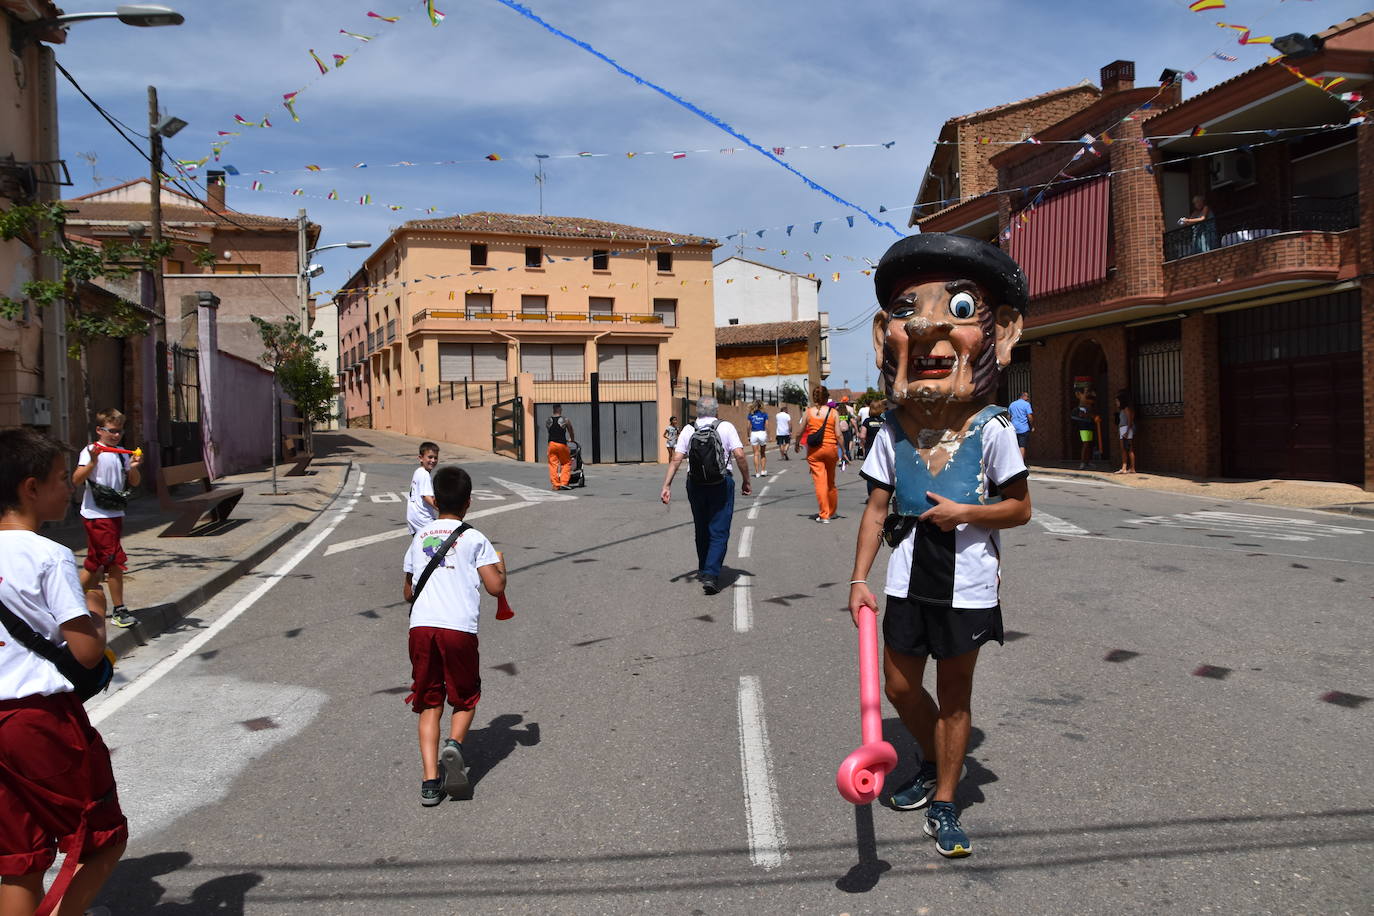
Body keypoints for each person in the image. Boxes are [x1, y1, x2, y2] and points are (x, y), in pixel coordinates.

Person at [849, 233, 1031, 859]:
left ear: (1000, 334)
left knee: (956, 696)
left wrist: (967, 512)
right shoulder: (890, 430)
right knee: (899, 687)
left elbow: (1021, 509)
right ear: (883, 336)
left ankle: (948, 801)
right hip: (905, 577)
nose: (926, 325)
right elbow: (875, 510)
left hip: (968, 582)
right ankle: (931, 760)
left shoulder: (994, 428)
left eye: (956, 309)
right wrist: (858, 581)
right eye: (906, 311)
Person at [0, 426, 128, 914]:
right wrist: (95, 607)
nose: (69, 485)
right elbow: (87, 653)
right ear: (30, 488)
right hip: (41, 722)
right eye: (60, 478)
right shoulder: (50, 556)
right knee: (102, 838)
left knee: (20, 858)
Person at [402, 465, 506, 807]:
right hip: (458, 628)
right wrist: (501, 567)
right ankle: (456, 745)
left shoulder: (420, 536)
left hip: (421, 627)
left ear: (435, 502)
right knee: (464, 698)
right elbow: (495, 588)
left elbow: (407, 590)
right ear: (469, 502)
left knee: (429, 702)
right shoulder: (475, 538)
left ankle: (430, 782)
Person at [659, 397, 751, 595]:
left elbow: (676, 458)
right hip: (721, 482)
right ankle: (711, 574)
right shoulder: (726, 427)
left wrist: (666, 485)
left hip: (696, 483)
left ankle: (703, 568)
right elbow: (740, 455)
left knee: (701, 527)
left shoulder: (688, 429)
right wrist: (746, 480)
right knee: (719, 528)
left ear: (698, 412)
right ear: (716, 411)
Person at [72, 408, 142, 629]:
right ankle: (119, 609)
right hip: (96, 515)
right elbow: (76, 480)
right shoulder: (90, 450)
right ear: (99, 430)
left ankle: (68, 603)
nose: (116, 435)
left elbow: (134, 482)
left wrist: (132, 468)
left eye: (119, 431)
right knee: (114, 562)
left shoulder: (122, 452)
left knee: (94, 564)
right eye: (111, 431)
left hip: (114, 513)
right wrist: (92, 461)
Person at [795, 385, 839, 522]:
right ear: (826, 397)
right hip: (831, 449)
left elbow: (800, 431)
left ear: (814, 398)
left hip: (815, 451)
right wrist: (845, 451)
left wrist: (796, 444)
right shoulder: (833, 413)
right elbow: (838, 434)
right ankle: (831, 511)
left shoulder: (808, 412)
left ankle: (824, 514)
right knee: (830, 482)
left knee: (820, 482)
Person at [406, 441, 439, 535]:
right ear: (421, 458)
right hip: (423, 518)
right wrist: (442, 509)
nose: (433, 460)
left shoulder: (418, 471)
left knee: (419, 545)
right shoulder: (425, 474)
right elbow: (426, 496)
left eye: (435, 457)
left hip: (413, 516)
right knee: (437, 544)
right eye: (430, 457)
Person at [546, 405, 575, 491]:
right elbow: (571, 430)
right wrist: (572, 439)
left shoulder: (548, 420)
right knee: (566, 463)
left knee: (553, 464)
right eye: (561, 408)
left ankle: (555, 485)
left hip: (551, 444)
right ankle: (564, 483)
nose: (562, 409)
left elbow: (550, 431)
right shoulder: (565, 420)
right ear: (559, 409)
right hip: (561, 444)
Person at [1071, 388, 1098, 469]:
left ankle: (1087, 461)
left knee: (1088, 444)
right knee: (1085, 443)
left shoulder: (1088, 405)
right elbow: (1085, 414)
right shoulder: (1082, 403)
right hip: (1084, 426)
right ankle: (1083, 462)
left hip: (1089, 424)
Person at [1115, 390, 1137, 474]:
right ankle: (1127, 467)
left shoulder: (1126, 408)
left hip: (1126, 429)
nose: (1116, 403)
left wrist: (1127, 431)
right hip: (1123, 429)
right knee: (1125, 449)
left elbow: (1129, 420)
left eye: (1117, 401)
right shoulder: (1124, 409)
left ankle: (1129, 467)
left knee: (1127, 448)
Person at [1008, 392, 1033, 460]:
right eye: (1027, 396)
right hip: (1023, 428)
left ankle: (1014, 462)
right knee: (1022, 446)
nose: (1028, 398)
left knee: (1014, 446)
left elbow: (1009, 416)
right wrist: (1031, 425)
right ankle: (1021, 463)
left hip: (1013, 428)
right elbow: (1029, 416)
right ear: (1023, 396)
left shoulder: (1012, 404)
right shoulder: (1026, 404)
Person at [746, 401, 769, 477]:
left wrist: (748, 436)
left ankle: (757, 473)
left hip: (754, 434)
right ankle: (763, 471)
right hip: (762, 433)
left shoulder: (751, 414)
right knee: (763, 453)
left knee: (756, 454)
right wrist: (768, 435)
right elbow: (767, 425)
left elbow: (748, 426)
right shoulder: (764, 414)